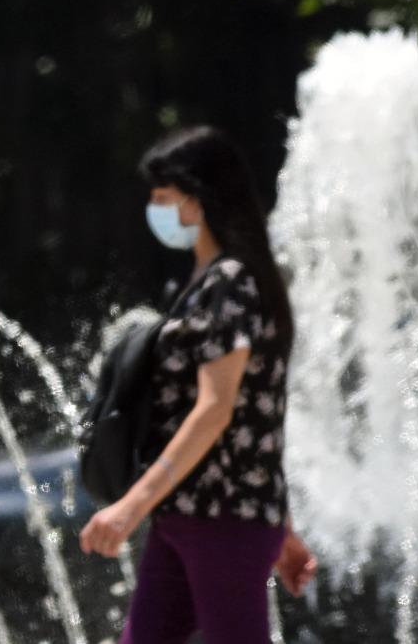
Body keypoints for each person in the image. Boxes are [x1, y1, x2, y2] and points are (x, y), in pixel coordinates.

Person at [79, 126, 318, 644]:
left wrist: (130, 507)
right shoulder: (204, 281)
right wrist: (280, 525)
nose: (154, 209)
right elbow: (256, 416)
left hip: (220, 518)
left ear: (198, 199)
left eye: (163, 198)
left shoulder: (231, 281)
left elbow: (217, 410)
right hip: (192, 515)